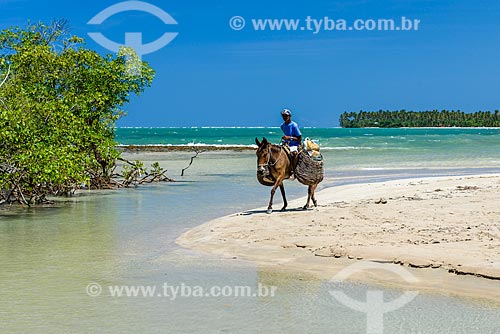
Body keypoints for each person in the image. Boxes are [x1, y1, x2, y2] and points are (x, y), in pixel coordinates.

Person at [280, 108, 302, 178]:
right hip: (286, 144)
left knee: (294, 154)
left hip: (294, 144)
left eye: (286, 116)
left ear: (289, 116)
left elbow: (299, 138)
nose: (284, 117)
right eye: (283, 116)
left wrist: (289, 138)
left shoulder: (294, 125)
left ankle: (294, 170)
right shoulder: (282, 126)